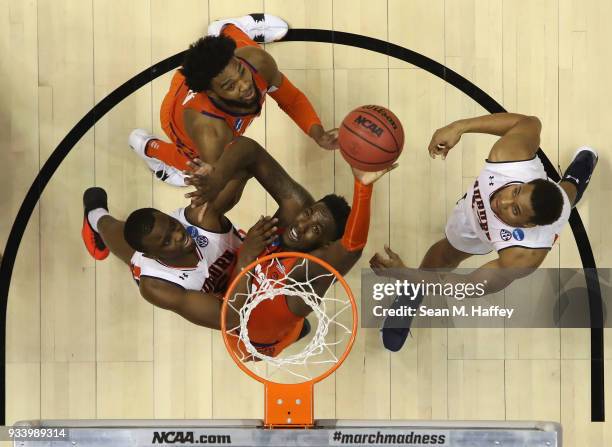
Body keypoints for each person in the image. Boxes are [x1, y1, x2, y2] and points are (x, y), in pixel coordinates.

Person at [83, 137, 392, 358]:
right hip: (231, 307)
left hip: (252, 311)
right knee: (118, 234)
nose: (180, 237)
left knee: (294, 327)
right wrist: (219, 181)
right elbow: (228, 319)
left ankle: (294, 332)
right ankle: (95, 217)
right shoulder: (155, 283)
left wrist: (216, 184)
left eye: (174, 228)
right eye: (167, 241)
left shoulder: (202, 221)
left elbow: (248, 152)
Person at [370, 112, 598, 352]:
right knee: (446, 254)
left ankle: (578, 174)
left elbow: (467, 285)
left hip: (504, 234)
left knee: (567, 196)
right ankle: (578, 173)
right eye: (516, 191)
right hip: (475, 216)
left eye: (516, 210)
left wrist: (406, 274)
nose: (504, 201)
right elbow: (530, 123)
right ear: (526, 181)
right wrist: (459, 126)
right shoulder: (511, 158)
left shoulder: (521, 256)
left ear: (528, 225)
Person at [129, 13, 338, 188]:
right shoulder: (209, 133)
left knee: (239, 47)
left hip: (214, 74)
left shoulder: (255, 61)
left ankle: (227, 27)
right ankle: (147, 147)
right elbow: (225, 178)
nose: (245, 85)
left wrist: (317, 133)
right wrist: (210, 179)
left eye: (241, 72)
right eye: (231, 86)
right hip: (177, 117)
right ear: (211, 93)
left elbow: (291, 99)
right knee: (193, 164)